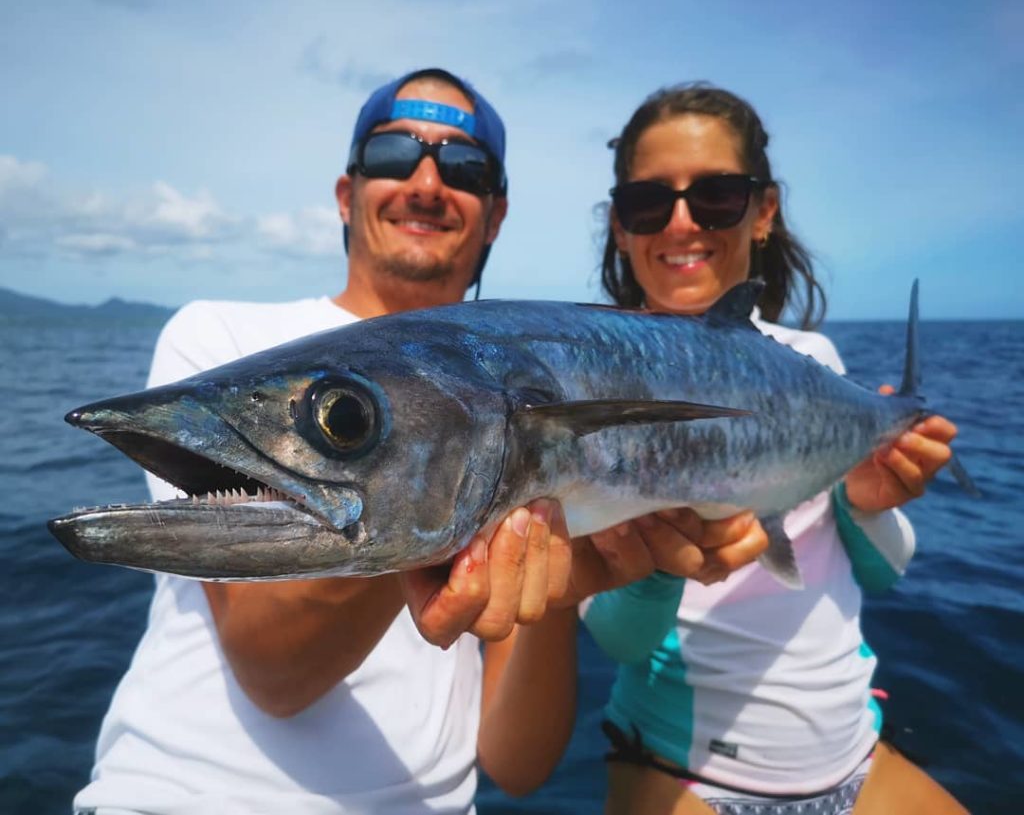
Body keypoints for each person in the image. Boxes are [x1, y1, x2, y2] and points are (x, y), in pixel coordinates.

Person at [73, 69, 766, 815]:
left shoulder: (534, 397)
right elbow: (275, 679)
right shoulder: (218, 338)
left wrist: (557, 580)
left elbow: (518, 764)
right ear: (348, 194)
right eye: (396, 154)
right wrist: (431, 500)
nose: (428, 182)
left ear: (495, 216)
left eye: (463, 167)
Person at [580, 82, 969, 814]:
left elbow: (882, 576)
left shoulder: (811, 360)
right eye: (648, 203)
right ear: (621, 227)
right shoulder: (595, 378)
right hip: (679, 772)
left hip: (856, 750)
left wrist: (865, 503)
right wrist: (663, 563)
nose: (683, 222)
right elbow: (622, 641)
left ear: (764, 212)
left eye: (717, 197)